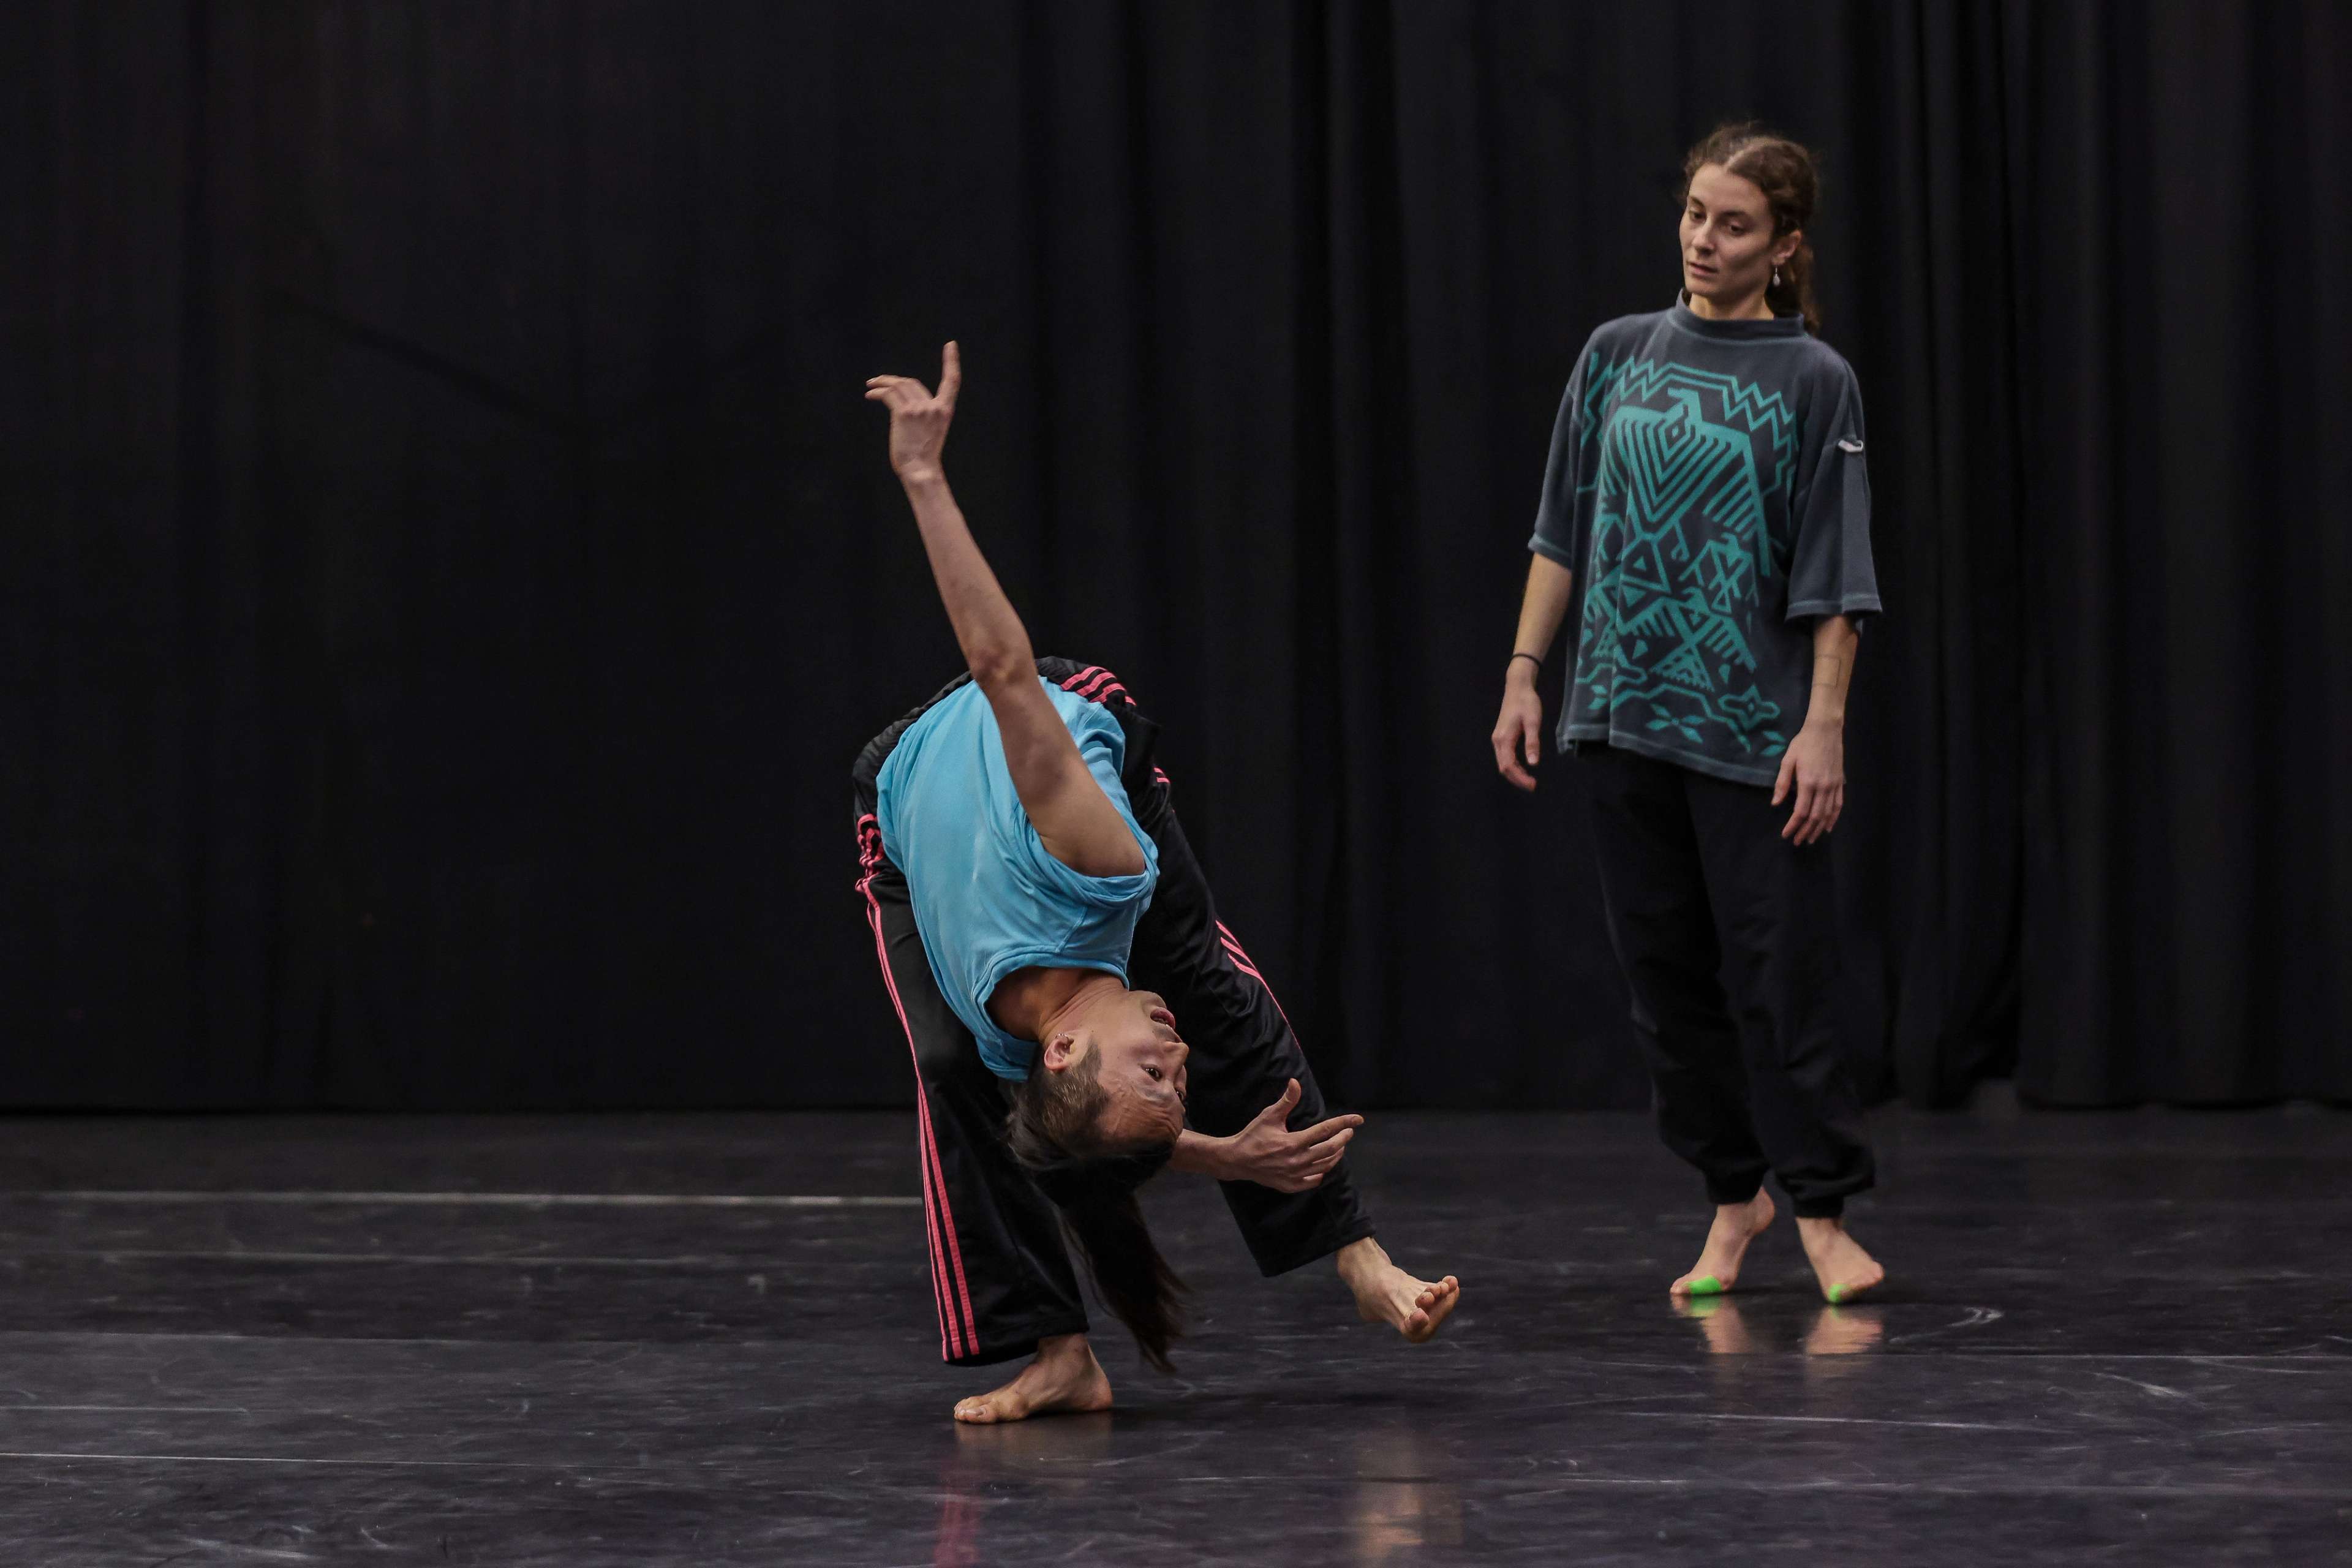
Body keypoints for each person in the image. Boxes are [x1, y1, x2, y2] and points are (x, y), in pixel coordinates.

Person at [858, 343, 1460, 1423]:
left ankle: (1357, 1254)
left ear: (1060, 1048)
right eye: (1180, 1080)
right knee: (950, 1070)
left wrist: (923, 476)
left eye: (1158, 1070)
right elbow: (1084, 1117)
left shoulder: (1097, 867)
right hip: (906, 826)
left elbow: (1003, 670)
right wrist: (1220, 1152)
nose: (1178, 1057)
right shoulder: (1035, 1054)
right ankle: (1059, 1353)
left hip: (1043, 719)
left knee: (1212, 986)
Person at [1490, 124, 1887, 1305]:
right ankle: (1732, 1197)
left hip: (1752, 736)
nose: (1704, 240)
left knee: (1780, 983)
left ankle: (1821, 1210)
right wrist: (1524, 671)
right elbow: (1561, 530)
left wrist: (1823, 727)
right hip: (1620, 720)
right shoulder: (1617, 353)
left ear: (1785, 245)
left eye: (1735, 224)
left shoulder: (1814, 380)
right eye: (1696, 214)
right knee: (1665, 988)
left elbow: (1837, 581)